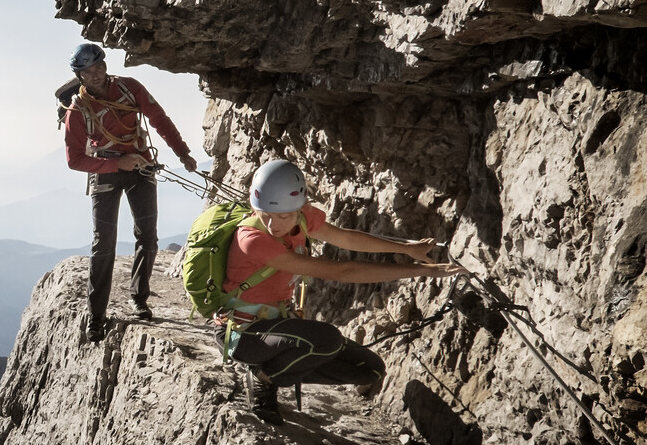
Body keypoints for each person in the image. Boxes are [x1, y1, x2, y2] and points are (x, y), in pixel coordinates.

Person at [219, 159, 465, 424]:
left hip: (278, 326)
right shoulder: (253, 241)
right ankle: (263, 377)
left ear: (299, 208)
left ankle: (277, 366)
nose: (272, 224)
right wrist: (422, 271)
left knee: (369, 370)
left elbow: (346, 238)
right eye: (264, 214)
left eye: (282, 216)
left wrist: (407, 248)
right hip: (244, 334)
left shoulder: (302, 218)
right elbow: (342, 272)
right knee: (327, 340)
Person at [59, 43, 199, 343]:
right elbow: (74, 160)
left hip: (140, 167)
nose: (95, 75)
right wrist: (117, 163)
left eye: (98, 67)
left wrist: (183, 152)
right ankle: (96, 316)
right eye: (88, 72)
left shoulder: (130, 88)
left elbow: (159, 119)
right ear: (79, 76)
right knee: (103, 245)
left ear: (105, 65)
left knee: (148, 237)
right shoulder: (77, 111)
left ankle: (139, 299)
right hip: (107, 173)